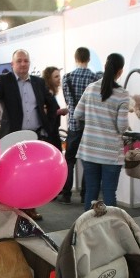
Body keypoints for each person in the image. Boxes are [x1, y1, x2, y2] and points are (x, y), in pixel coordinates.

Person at [0, 49, 59, 221]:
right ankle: (8, 211)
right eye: (19, 61)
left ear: (29, 63)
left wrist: (49, 125)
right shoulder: (4, 81)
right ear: (12, 64)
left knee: (33, 175)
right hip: (12, 137)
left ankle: (30, 209)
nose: (23, 64)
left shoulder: (38, 82)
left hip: (34, 138)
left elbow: (52, 104)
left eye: (26, 61)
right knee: (9, 175)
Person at [73, 53, 130, 211]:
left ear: (105, 67)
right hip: (111, 153)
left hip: (89, 150)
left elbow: (77, 114)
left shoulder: (91, 88)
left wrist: (93, 120)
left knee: (91, 192)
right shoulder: (122, 94)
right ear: (120, 71)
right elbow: (122, 126)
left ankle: (87, 227)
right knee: (109, 193)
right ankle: (111, 228)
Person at [59, 47, 96, 205]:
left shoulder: (67, 78)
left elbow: (68, 101)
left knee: (69, 160)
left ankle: (66, 193)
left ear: (75, 58)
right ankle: (84, 195)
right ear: (88, 59)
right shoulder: (94, 78)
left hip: (73, 125)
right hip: (89, 125)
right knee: (87, 161)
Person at [41, 66, 65, 152]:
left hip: (54, 132)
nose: (59, 79)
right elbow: (45, 113)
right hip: (50, 134)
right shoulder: (47, 95)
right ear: (49, 79)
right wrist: (60, 111)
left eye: (59, 76)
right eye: (56, 77)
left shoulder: (51, 94)